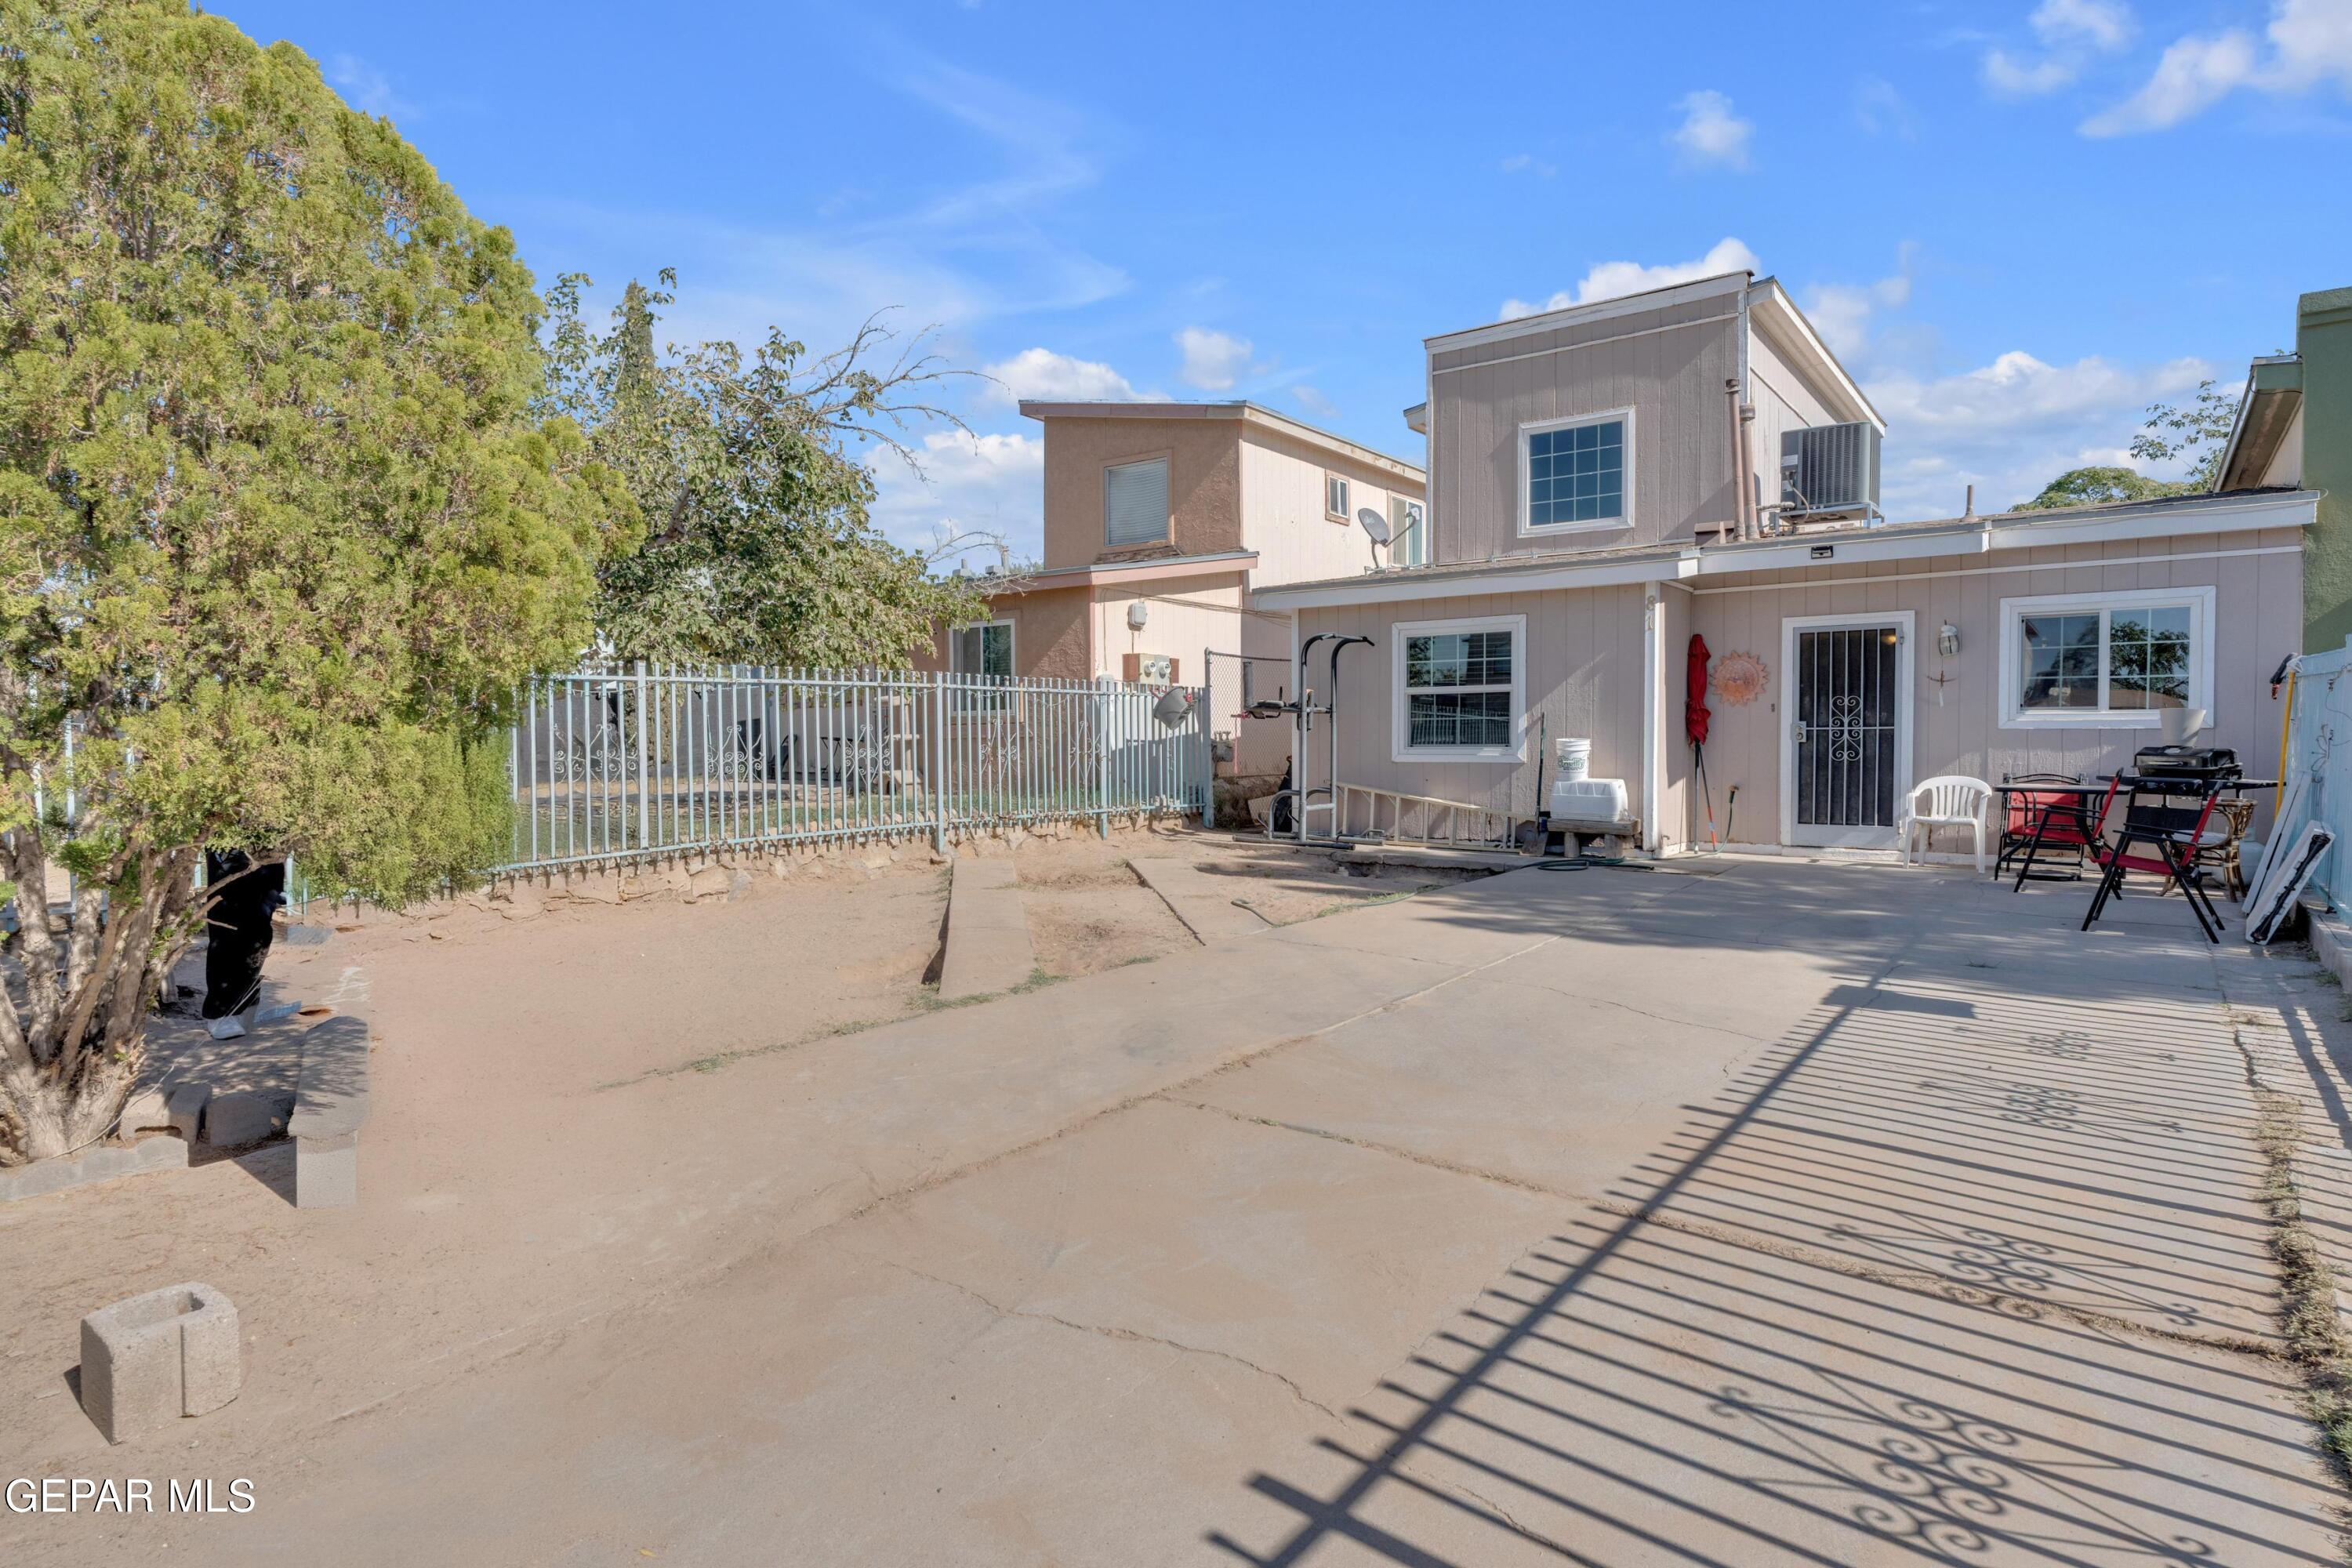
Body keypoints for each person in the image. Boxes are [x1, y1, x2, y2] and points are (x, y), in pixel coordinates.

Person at [201, 850, 286, 1025]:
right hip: (232, 864)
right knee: (226, 942)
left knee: (257, 940)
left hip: (264, 864)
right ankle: (222, 1014)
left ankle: (241, 1010)